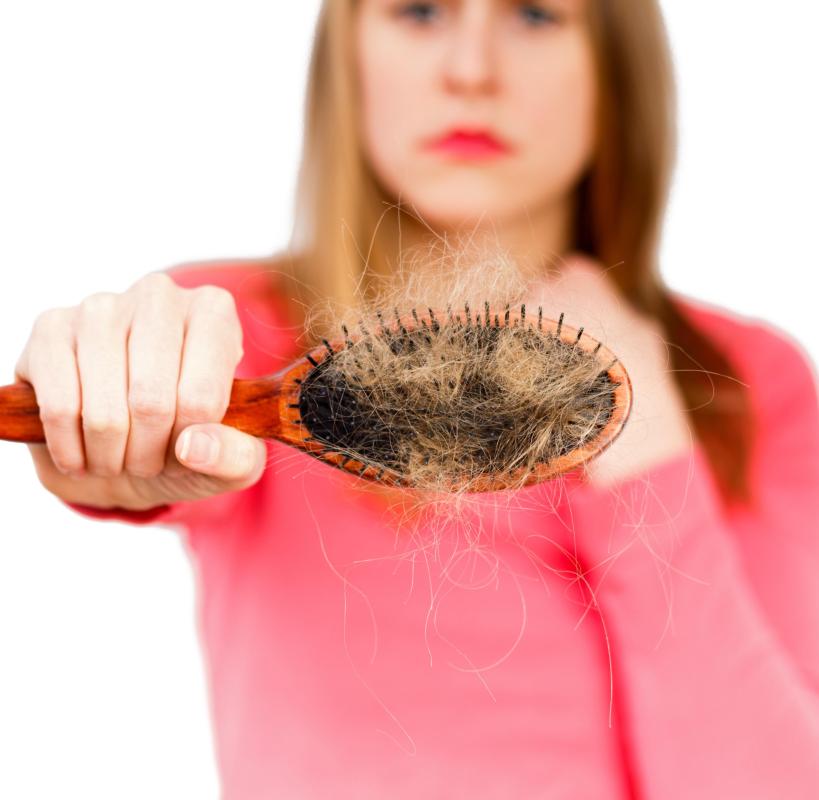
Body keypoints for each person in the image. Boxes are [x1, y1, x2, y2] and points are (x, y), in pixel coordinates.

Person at [15, 0, 819, 797]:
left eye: (535, 17)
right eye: (420, 12)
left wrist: (648, 449)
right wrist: (105, 413)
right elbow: (136, 451)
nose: (469, 71)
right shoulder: (231, 335)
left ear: (615, 65)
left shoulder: (749, 380)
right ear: (349, 53)